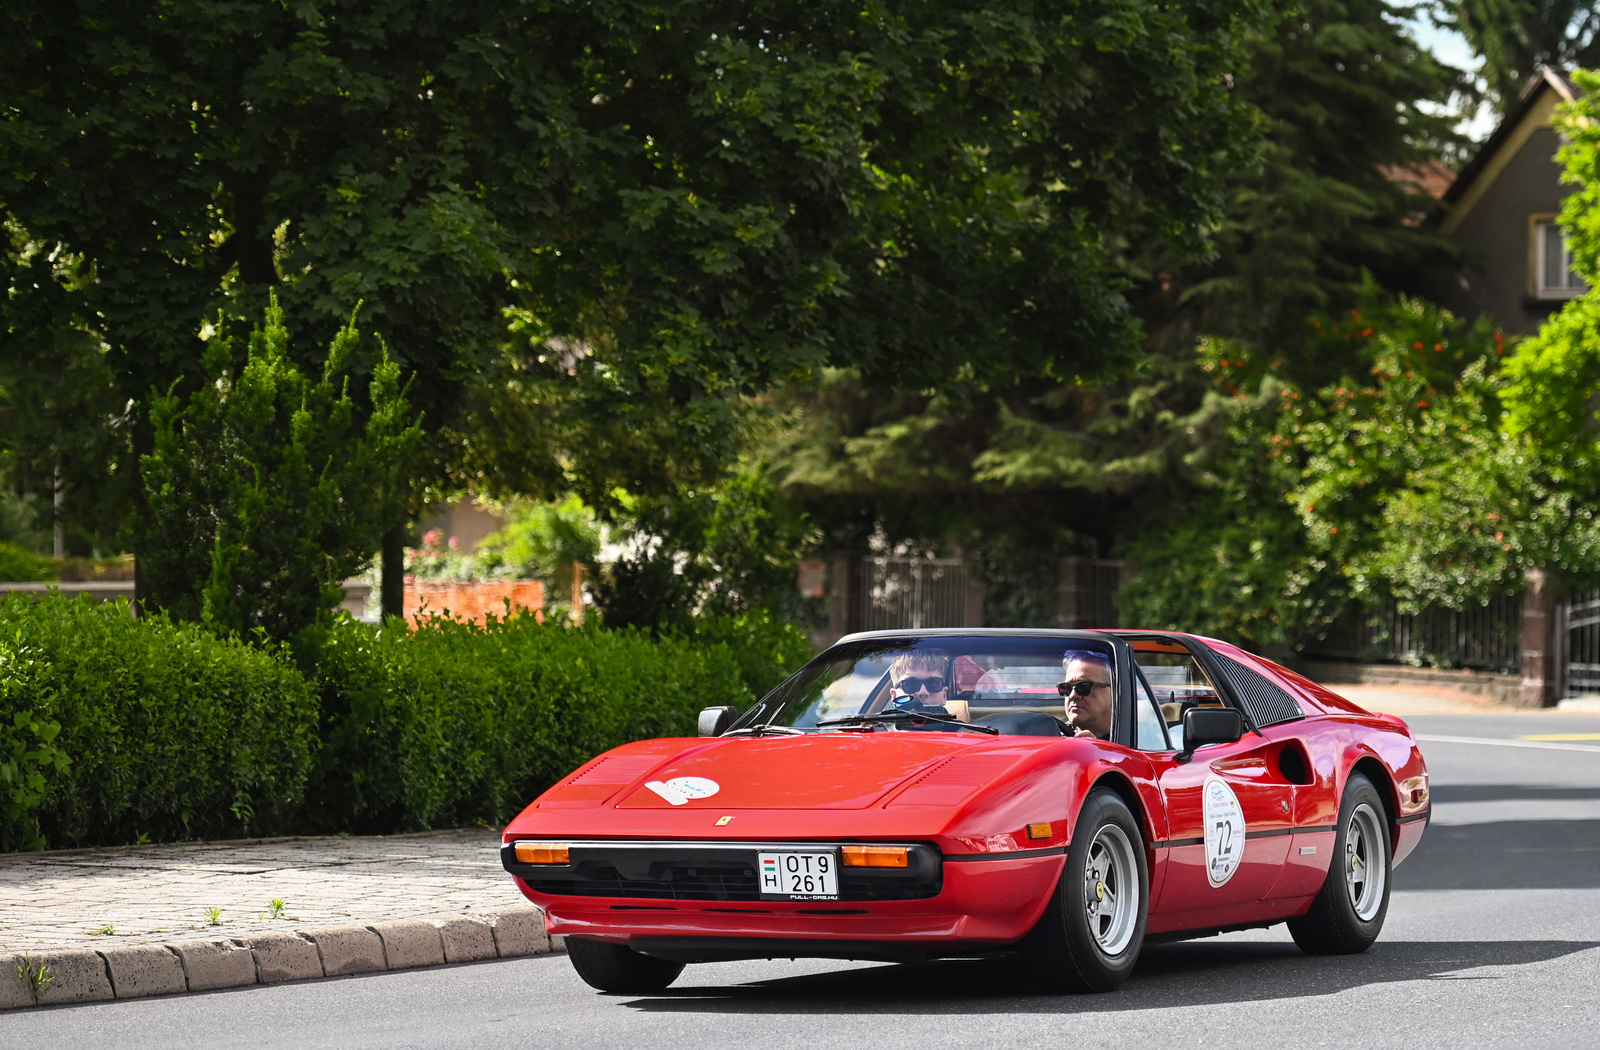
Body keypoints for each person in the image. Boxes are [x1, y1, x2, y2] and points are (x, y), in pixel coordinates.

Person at [1060, 649, 1114, 739]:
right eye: (1067, 687)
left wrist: (1098, 750)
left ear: (1113, 692)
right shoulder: (1055, 735)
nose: (1073, 695)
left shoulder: (1139, 737)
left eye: (1084, 687)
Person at [885, 649, 952, 716]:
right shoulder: (878, 726)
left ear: (944, 695)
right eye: (911, 684)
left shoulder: (961, 726)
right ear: (894, 696)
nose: (923, 692)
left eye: (933, 684)